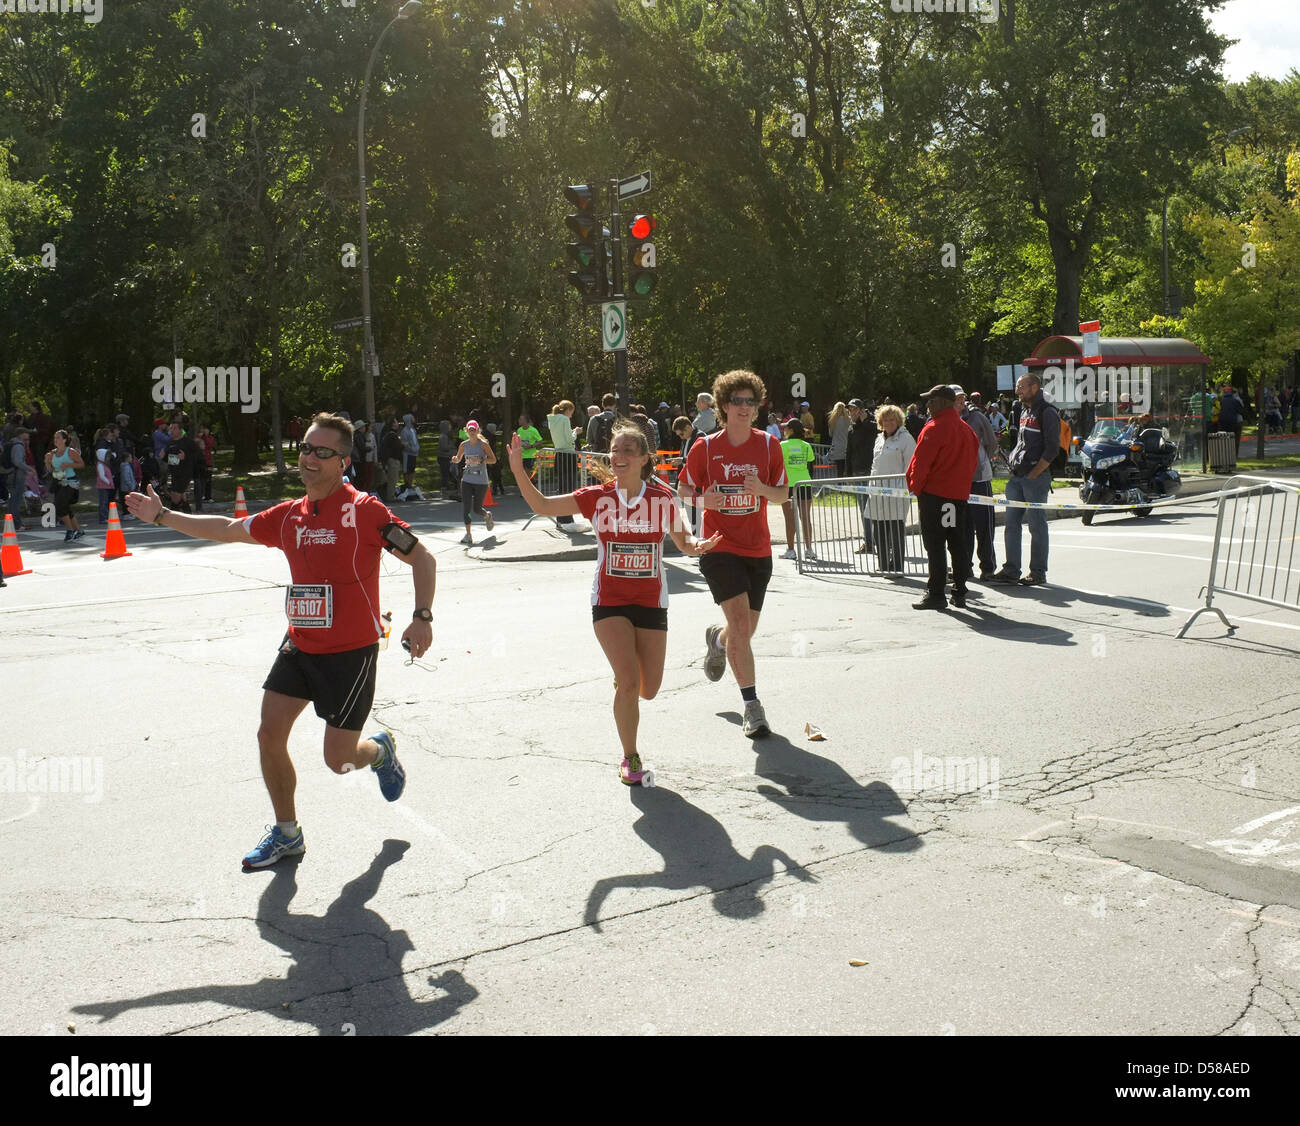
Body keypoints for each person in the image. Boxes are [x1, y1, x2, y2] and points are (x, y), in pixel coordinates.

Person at [124, 412, 436, 869]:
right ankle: (287, 833)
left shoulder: (365, 511)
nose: (309, 458)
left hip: (350, 653)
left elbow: (423, 558)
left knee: (339, 760)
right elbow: (227, 530)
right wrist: (163, 515)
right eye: (305, 448)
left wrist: (421, 617)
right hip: (300, 644)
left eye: (321, 452)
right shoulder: (291, 514)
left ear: (342, 462)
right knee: (269, 733)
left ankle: (380, 750)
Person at [507, 423, 719, 782]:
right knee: (629, 680)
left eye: (627, 451)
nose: (618, 457)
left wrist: (697, 546)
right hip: (609, 601)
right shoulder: (597, 496)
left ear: (643, 459)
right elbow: (542, 505)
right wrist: (516, 468)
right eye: (614, 451)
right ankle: (630, 758)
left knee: (648, 690)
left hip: (652, 601)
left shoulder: (662, 499)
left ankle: (627, 685)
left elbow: (683, 541)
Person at [678, 370, 789, 739]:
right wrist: (702, 498)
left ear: (757, 408)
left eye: (750, 402)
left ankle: (718, 641)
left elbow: (784, 494)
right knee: (742, 626)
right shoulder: (705, 447)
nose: (744, 408)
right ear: (724, 406)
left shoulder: (769, 446)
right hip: (719, 546)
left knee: (745, 631)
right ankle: (753, 707)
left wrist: (761, 488)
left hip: (757, 547)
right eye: (737, 401)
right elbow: (682, 490)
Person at [907, 385, 978, 610]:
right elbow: (972, 463)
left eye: (931, 400)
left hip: (934, 496)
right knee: (956, 542)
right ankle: (959, 591)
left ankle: (936, 593)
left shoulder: (934, 428)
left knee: (935, 545)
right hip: (957, 496)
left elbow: (920, 464)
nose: (928, 405)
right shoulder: (967, 430)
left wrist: (915, 488)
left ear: (941, 402)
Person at [987, 372, 1059, 587]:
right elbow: (1022, 442)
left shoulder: (1047, 412)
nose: (1017, 390)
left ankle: (1037, 572)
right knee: (1011, 524)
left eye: (1022, 387)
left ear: (1034, 388)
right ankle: (1011, 569)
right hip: (1017, 477)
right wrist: (1013, 466)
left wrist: (1036, 472)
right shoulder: (1023, 410)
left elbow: (1052, 449)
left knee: (1036, 525)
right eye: (1018, 387)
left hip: (1035, 478)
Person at [956, 387, 998, 580]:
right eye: (955, 398)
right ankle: (964, 566)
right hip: (957, 482)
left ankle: (988, 567)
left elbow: (991, 443)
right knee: (962, 527)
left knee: (984, 526)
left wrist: (979, 463)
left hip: (979, 479)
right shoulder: (944, 418)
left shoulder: (977, 417)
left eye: (961, 398)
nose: (959, 401)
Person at [869, 404, 916, 573]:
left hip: (897, 491)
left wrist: (906, 488)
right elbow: (875, 464)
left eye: (891, 420)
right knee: (879, 528)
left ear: (898, 421)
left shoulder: (906, 439)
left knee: (895, 528)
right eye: (885, 420)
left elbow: (911, 466)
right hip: (877, 490)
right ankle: (882, 565)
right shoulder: (879, 439)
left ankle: (896, 566)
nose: (888, 423)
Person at [451, 419, 496, 545]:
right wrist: (455, 459)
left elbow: (493, 460)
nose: (471, 432)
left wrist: (482, 460)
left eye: (473, 430)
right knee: (466, 508)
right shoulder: (463, 445)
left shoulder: (483, 444)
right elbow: (458, 458)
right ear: (466, 431)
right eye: (469, 430)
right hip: (467, 480)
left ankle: (487, 515)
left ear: (477, 431)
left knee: (476, 509)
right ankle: (468, 534)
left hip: (481, 481)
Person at [778, 418, 816, 560]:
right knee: (805, 517)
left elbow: (778, 467)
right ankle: (809, 549)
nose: (784, 430)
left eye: (786, 428)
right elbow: (811, 467)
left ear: (791, 430)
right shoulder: (807, 445)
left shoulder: (782, 445)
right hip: (804, 484)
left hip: (787, 485)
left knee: (789, 518)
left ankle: (791, 550)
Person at [846, 398, 878, 554]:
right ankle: (869, 542)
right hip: (858, 473)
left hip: (871, 473)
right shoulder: (851, 430)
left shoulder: (872, 425)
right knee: (864, 510)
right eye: (850, 410)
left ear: (862, 411)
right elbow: (849, 453)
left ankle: (880, 541)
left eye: (855, 410)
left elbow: (874, 433)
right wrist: (847, 474)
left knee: (876, 509)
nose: (852, 413)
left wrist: (865, 421)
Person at [45, 429, 85, 542]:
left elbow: (81, 464)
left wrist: (68, 464)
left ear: (64, 439)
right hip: (58, 481)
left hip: (70, 482)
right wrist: (47, 462)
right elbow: (50, 470)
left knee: (60, 505)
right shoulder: (52, 453)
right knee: (64, 506)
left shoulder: (70, 451)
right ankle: (79, 531)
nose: (55, 440)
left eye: (58, 437)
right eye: (54, 438)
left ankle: (70, 530)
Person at [547, 400, 581, 528]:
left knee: (562, 488)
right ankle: (568, 520)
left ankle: (561, 518)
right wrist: (575, 432)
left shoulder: (553, 419)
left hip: (559, 454)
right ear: (567, 410)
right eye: (571, 412)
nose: (571, 416)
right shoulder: (565, 420)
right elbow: (569, 439)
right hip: (568, 454)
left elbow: (561, 437)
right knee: (569, 487)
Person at [163, 420, 200, 513]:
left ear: (180, 430)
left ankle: (172, 515)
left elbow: (198, 455)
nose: (171, 430)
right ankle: (188, 515)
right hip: (174, 473)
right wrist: (163, 456)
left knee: (175, 495)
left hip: (185, 472)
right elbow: (170, 459)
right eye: (171, 428)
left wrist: (185, 457)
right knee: (180, 496)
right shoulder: (170, 442)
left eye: (174, 428)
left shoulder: (188, 441)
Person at [379, 417, 403, 503]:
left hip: (390, 459)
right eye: (396, 422)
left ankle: (390, 495)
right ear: (392, 424)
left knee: (392, 478)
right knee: (392, 478)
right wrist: (403, 445)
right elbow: (397, 447)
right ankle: (390, 496)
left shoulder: (388, 434)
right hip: (393, 459)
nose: (398, 424)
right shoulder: (392, 435)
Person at [514, 411, 543, 484]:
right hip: (521, 454)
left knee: (526, 471)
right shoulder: (519, 430)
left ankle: (531, 485)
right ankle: (533, 482)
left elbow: (540, 441)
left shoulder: (533, 430)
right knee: (523, 472)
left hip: (531, 455)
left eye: (521, 419)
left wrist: (531, 446)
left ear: (525, 421)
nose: (519, 421)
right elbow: (518, 441)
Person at [826, 402, 850, 477]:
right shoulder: (848, 420)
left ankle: (839, 485)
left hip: (836, 446)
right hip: (847, 446)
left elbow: (830, 434)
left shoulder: (833, 420)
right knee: (847, 469)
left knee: (839, 469)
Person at [400, 413, 420, 490]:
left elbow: (415, 440)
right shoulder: (404, 431)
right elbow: (405, 443)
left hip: (414, 453)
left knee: (412, 469)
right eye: (412, 418)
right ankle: (407, 485)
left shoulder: (413, 430)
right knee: (407, 469)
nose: (414, 419)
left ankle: (410, 484)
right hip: (408, 454)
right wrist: (412, 449)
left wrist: (417, 447)